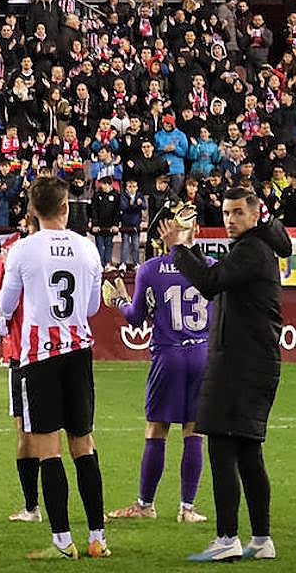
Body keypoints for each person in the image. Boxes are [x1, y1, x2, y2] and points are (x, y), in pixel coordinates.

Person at [165, 188, 290, 562]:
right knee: (249, 452)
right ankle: (261, 539)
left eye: (237, 212)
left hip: (241, 364)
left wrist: (180, 248)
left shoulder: (251, 251)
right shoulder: (255, 249)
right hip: (251, 362)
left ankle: (226, 537)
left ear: (254, 216)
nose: (229, 219)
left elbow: (208, 281)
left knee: (221, 446)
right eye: (225, 212)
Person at [0, 176, 108, 560]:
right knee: (84, 444)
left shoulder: (23, 250)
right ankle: (98, 537)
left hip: (39, 357)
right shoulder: (88, 248)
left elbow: (6, 301)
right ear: (66, 207)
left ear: (32, 211)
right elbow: (92, 307)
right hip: (79, 352)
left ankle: (63, 541)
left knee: (48, 450)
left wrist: (3, 317)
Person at [103, 202, 209, 524]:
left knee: (157, 429)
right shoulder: (211, 266)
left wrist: (118, 299)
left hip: (168, 355)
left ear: (164, 235)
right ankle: (187, 508)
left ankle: (145, 504)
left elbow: (135, 318)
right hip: (202, 355)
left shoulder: (150, 269)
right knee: (194, 432)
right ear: (198, 232)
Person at [0, 215, 42, 523]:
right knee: (75, 432)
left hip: (24, 352)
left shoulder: (14, 255)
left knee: (26, 432)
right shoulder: (77, 249)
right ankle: (92, 516)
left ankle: (32, 507)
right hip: (66, 351)